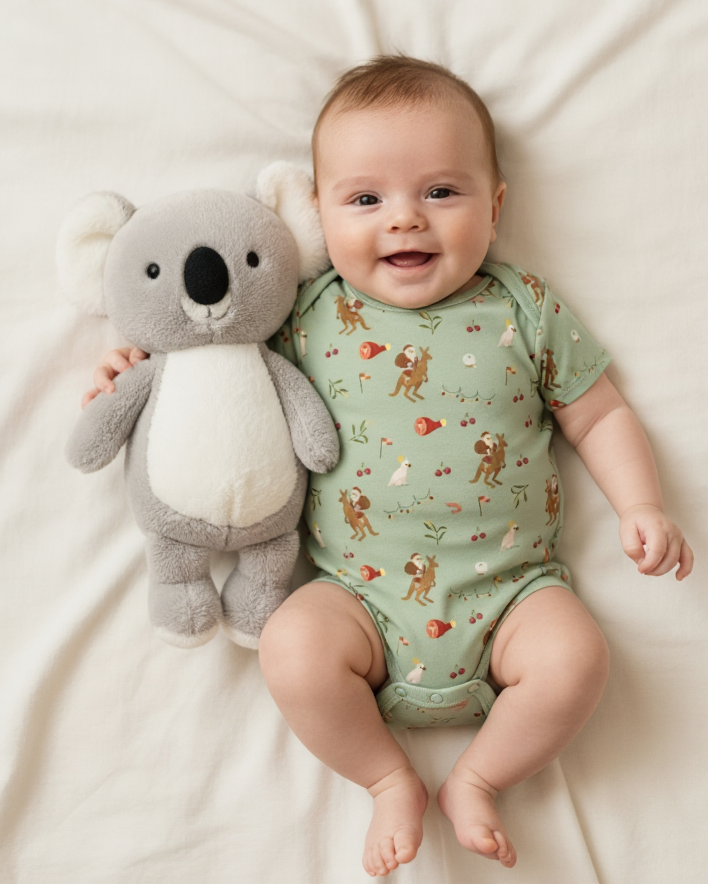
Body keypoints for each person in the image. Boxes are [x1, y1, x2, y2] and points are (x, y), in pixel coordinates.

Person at [83, 56, 693, 878]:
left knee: (577, 657)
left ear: (496, 204)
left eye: (441, 191)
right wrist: (135, 364)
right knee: (290, 646)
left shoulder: (523, 307)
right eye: (365, 199)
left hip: (514, 594)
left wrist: (639, 505)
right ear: (320, 216)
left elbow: (600, 411)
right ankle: (386, 776)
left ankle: (481, 775)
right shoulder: (308, 311)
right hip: (360, 602)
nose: (405, 219)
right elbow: (217, 371)